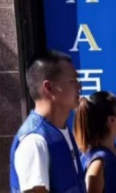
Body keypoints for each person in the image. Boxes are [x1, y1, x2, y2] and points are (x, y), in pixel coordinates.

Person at [10, 51, 86, 193]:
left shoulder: (61, 131)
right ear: (49, 87)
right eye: (73, 81)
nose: (79, 87)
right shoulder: (34, 140)